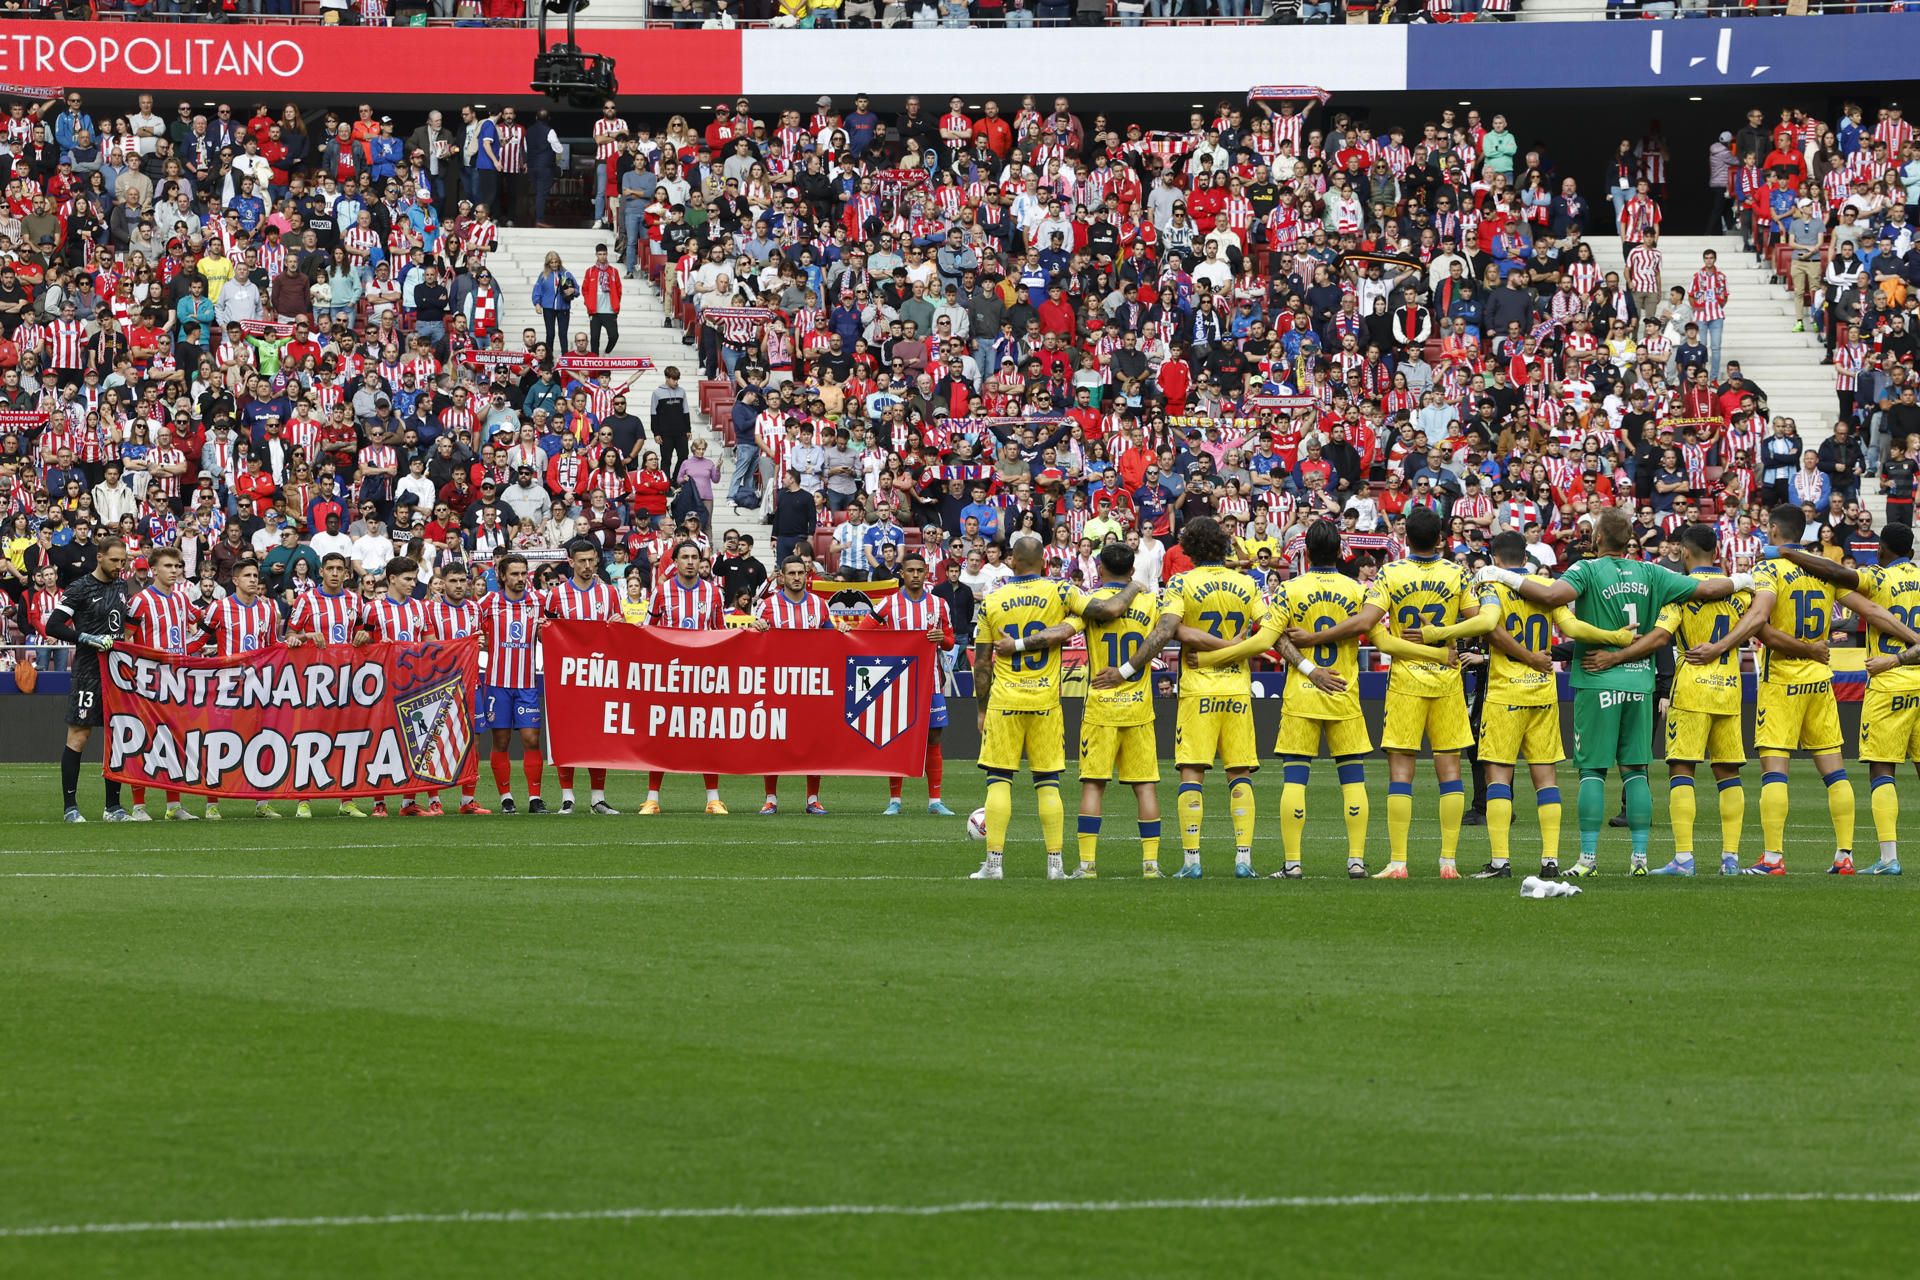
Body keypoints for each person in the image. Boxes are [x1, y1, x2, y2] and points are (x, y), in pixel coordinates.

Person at [1480, 507, 1745, 876]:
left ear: (1598, 538)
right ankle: (1639, 860)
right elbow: (1707, 587)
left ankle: (1587, 859)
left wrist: (1500, 575)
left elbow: (1554, 595)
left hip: (1597, 680)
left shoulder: (1586, 569)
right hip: (1640, 683)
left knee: (1592, 771)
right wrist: (1743, 581)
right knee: (1636, 770)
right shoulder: (1653, 572)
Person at [1183, 520, 1449, 879]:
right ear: (1341, 552)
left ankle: (1292, 863)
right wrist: (1437, 655)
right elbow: (1385, 644)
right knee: (1352, 779)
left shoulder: (1290, 590)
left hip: (1302, 695)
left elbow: (1264, 641)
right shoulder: (1358, 591)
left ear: (1305, 553)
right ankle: (1356, 860)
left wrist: (1211, 658)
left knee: (1295, 779)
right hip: (1343, 692)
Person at [1581, 525, 1751, 877]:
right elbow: (1759, 626)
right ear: (1717, 550)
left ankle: (1684, 858)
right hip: (1730, 687)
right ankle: (1730, 859)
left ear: (1685, 554)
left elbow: (1659, 637)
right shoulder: (1744, 595)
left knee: (1682, 769)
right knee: (1728, 773)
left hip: (1690, 688)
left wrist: (1616, 657)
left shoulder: (1679, 594)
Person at [969, 531, 1140, 881]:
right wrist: (1134, 587)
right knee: (1048, 783)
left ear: (1012, 562)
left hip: (1005, 700)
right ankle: (1055, 865)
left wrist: (981, 709)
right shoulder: (1060, 591)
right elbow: (1108, 609)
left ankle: (994, 865)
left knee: (999, 781)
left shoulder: (992, 599)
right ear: (1044, 562)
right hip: (1046, 701)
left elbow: (982, 663)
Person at [1466, 532, 1633, 878]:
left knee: (1498, 775)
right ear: (1525, 556)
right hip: (1543, 693)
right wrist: (1615, 636)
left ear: (1496, 558)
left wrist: (1525, 657)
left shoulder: (1492, 587)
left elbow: (1492, 631)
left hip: (1504, 693)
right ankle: (1550, 860)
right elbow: (1572, 627)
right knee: (1546, 778)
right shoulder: (1544, 587)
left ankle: (1500, 862)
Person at [1773, 529, 1920, 876]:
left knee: (1882, 769)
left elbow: (1839, 574)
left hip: (1889, 683)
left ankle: (1888, 858)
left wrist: (1791, 554)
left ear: (1881, 548)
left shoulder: (1878, 576)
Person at [1125, 516, 1265, 879]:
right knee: (1240, 772)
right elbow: (1265, 631)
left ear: (1189, 549)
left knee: (1192, 773)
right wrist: (1232, 648)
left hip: (1198, 689)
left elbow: (1169, 628)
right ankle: (1243, 860)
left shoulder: (1182, 582)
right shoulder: (1246, 582)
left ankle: (1191, 861)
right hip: (1236, 688)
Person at [198, 560, 294, 821]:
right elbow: (197, 641)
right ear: (236, 580)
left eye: (256, 575)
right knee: (219, 743)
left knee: (260, 742)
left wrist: (295, 643)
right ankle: (212, 803)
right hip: (226, 688)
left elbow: (274, 646)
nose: (253, 580)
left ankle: (262, 802)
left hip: (259, 689)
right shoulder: (218, 608)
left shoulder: (268, 610)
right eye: (248, 576)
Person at [45, 537, 131, 823]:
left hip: (116, 672)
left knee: (117, 737)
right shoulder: (80, 587)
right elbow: (53, 624)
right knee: (79, 736)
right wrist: (86, 638)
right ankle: (71, 807)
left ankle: (113, 808)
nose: (120, 566)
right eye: (115, 561)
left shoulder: (121, 586)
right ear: (100, 557)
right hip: (88, 672)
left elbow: (124, 625)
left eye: (124, 561)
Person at [644, 540, 727, 814]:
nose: (691, 562)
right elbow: (647, 631)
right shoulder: (661, 592)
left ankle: (713, 799)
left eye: (694, 557)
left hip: (704, 676)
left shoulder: (713, 593)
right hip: (669, 677)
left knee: (707, 735)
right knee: (662, 735)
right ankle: (652, 798)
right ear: (675, 562)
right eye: (685, 557)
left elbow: (720, 633)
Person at [542, 541, 622, 815]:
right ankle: (568, 797)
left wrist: (620, 626)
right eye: (582, 561)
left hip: (600, 675)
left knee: (598, 737)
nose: (587, 566)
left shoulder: (610, 593)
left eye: (592, 560)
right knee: (567, 736)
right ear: (571, 562)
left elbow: (618, 628)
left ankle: (598, 798)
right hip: (567, 677)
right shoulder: (557, 595)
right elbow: (546, 634)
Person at [876, 551, 957, 817]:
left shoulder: (938, 604)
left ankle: (935, 800)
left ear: (926, 573)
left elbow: (949, 641)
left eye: (919, 571)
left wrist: (939, 638)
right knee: (898, 738)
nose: (915, 575)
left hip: (931, 682)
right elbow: (865, 632)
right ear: (902, 573)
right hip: (899, 682)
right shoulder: (888, 604)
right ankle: (894, 800)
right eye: (909, 570)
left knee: (934, 738)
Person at [354, 556, 436, 819]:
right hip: (382, 685)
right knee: (381, 743)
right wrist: (370, 640)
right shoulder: (372, 609)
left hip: (414, 685)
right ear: (391, 579)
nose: (413, 584)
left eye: (414, 579)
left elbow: (431, 643)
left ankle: (408, 801)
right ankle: (379, 802)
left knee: (412, 741)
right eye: (408, 579)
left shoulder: (421, 609)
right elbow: (359, 643)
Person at [752, 557, 834, 816]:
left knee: (814, 742)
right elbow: (752, 643)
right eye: (792, 573)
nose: (797, 577)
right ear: (782, 577)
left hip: (812, 684)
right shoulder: (767, 606)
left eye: (801, 572)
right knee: (773, 741)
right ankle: (771, 798)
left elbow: (832, 638)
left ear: (807, 574)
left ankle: (813, 799)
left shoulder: (819, 605)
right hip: (778, 684)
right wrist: (756, 629)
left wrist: (840, 632)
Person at [288, 552, 367, 817]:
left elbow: (364, 632)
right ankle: (304, 799)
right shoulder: (306, 599)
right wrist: (306, 635)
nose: (335, 573)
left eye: (340, 569)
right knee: (310, 737)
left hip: (347, 679)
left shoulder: (355, 600)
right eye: (330, 568)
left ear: (347, 573)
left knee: (347, 739)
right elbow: (289, 635)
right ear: (321, 572)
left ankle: (347, 801)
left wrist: (365, 636)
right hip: (314, 681)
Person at [123, 547, 200, 822]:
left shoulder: (181, 599)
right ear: (154, 570)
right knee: (142, 741)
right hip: (147, 681)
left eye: (178, 566)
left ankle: (173, 805)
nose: (174, 571)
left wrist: (192, 649)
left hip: (177, 681)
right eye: (168, 566)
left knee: (174, 741)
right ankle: (139, 806)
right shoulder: (140, 601)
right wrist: (136, 671)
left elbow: (201, 624)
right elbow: (126, 638)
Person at [477, 552, 548, 814]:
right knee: (502, 741)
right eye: (515, 574)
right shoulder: (488, 602)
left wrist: (545, 634)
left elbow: (551, 632)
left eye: (524, 574)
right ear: (502, 576)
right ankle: (506, 797)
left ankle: (534, 798)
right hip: (497, 684)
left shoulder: (538, 601)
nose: (521, 579)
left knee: (531, 739)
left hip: (527, 684)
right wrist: (479, 640)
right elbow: (473, 629)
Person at [426, 563, 491, 815]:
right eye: (453, 581)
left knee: (473, 742)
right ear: (443, 583)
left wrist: (480, 642)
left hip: (470, 683)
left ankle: (467, 800)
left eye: (463, 580)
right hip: (439, 684)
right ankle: (434, 799)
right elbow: (427, 644)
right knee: (435, 741)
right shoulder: (430, 609)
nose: (459, 585)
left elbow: (481, 639)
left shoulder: (474, 608)